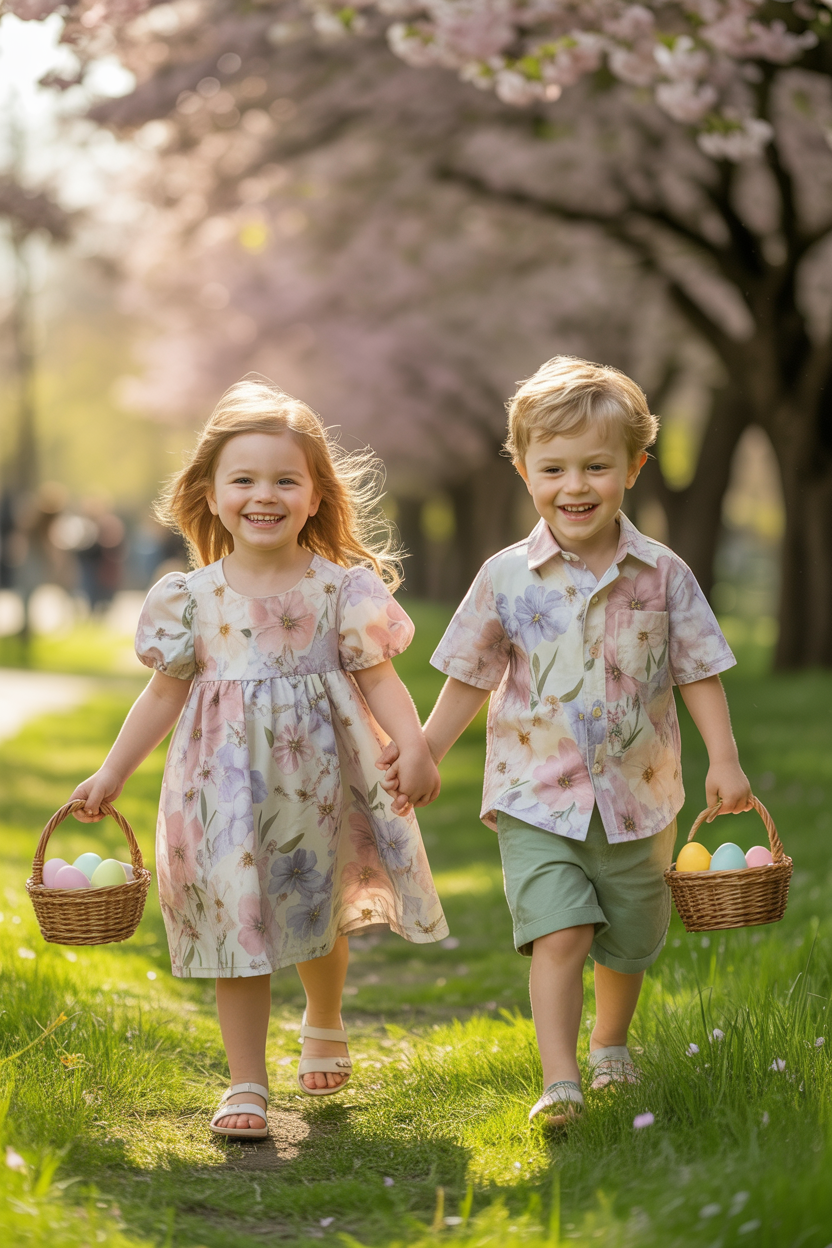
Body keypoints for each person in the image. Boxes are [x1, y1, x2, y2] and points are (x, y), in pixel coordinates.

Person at [380, 356, 752, 1128]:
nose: (574, 486)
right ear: (523, 470)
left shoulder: (664, 574)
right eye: (553, 468)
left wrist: (725, 759)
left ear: (634, 467)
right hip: (534, 798)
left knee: (629, 940)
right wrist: (426, 750)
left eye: (596, 467)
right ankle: (561, 1078)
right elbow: (469, 677)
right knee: (562, 931)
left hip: (641, 797)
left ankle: (611, 1043)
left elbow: (699, 671)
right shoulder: (506, 578)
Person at [71, 379, 446, 1139]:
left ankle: (324, 1014)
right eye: (243, 479)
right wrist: (112, 772)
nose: (263, 495)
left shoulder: (342, 591)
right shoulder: (191, 599)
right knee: (233, 928)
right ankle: (246, 1081)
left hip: (318, 783)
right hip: (220, 791)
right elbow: (161, 698)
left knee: (318, 904)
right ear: (210, 493)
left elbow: (381, 679)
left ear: (315, 497)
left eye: (285, 479)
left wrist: (411, 745)